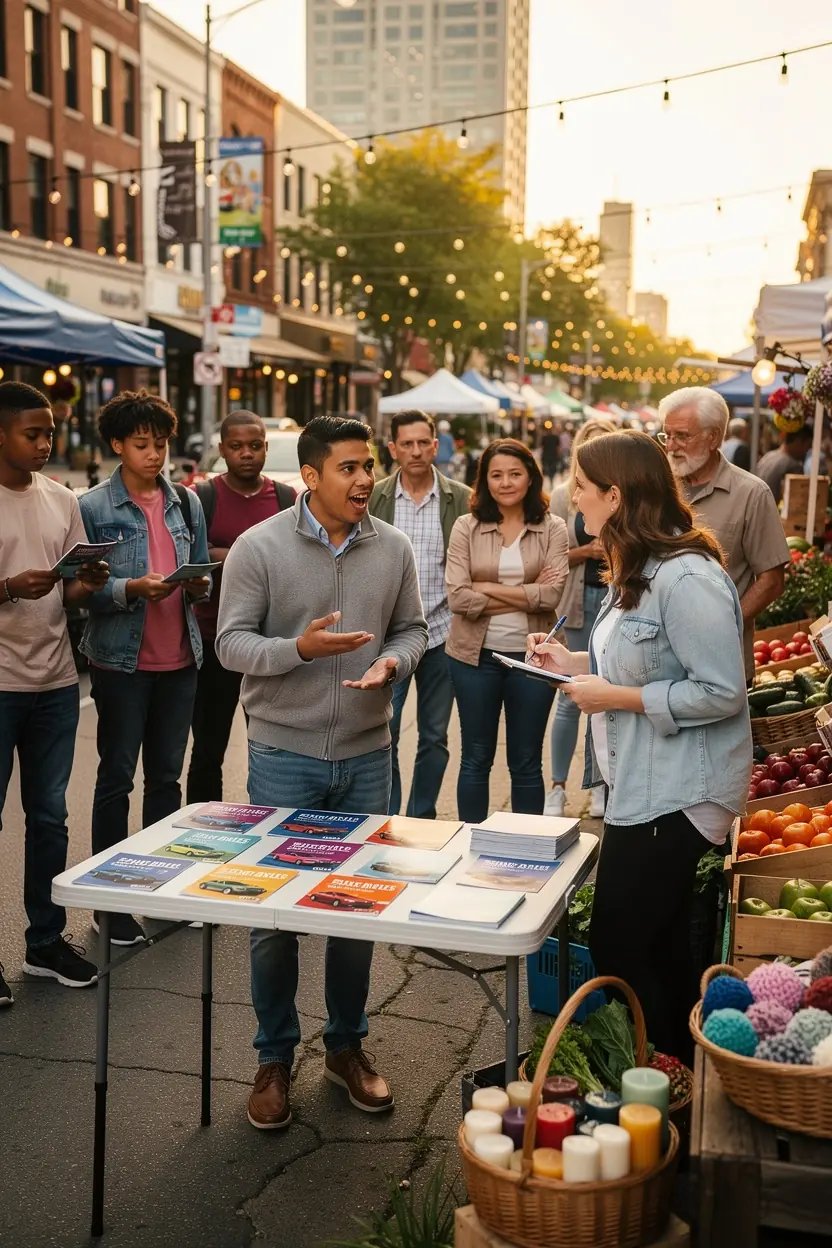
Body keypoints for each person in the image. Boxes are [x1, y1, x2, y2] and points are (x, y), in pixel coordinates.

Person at [216, 415, 427, 1131]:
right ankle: (274, 1057)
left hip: (369, 756)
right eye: (349, 468)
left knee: (355, 909)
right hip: (283, 756)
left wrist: (394, 663)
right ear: (310, 477)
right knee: (274, 917)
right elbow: (230, 645)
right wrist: (298, 650)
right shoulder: (259, 547)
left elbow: (413, 628)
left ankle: (345, 1048)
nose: (365, 478)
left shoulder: (392, 546)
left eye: (368, 466)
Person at [528, 430, 751, 1062]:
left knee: (620, 940)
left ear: (615, 495)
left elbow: (721, 691)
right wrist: (568, 662)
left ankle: (665, 1066)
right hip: (644, 782)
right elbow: (638, 662)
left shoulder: (686, 577)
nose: (574, 497)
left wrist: (615, 698)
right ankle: (683, 1068)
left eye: (581, 486)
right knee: (657, 941)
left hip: (681, 788)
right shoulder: (640, 568)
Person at [79, 391, 211, 948]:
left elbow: (200, 568)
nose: (155, 454)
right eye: (142, 445)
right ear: (117, 445)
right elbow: (81, 589)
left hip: (181, 659)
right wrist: (128, 588)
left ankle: (159, 888)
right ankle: (109, 903)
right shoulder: (92, 506)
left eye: (160, 444)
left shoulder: (186, 501)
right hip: (121, 662)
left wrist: (199, 583)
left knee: (166, 781)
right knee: (116, 779)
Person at [0, 382, 110, 1003]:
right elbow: (21, 587)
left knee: (49, 817)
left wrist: (84, 582)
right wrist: (10, 586)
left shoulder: (62, 497)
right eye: (32, 433)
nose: (46, 443)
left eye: (49, 433)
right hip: (0, 683)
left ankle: (44, 941)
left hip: (55, 680)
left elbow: (62, 594)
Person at [445, 438, 568, 823]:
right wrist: (526, 593)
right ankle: (469, 842)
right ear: (484, 480)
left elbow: (552, 595)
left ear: (531, 477)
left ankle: (526, 847)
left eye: (515, 473)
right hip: (473, 657)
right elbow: (457, 597)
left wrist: (486, 589)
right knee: (476, 756)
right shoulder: (467, 526)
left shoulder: (553, 528)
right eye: (496, 475)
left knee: (526, 760)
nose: (506, 482)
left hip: (535, 659)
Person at [186, 411, 296, 804]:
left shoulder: (286, 499)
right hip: (214, 637)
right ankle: (200, 826)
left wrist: (230, 555)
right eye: (236, 446)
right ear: (222, 450)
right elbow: (191, 556)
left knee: (270, 749)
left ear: (265, 447)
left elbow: (294, 558)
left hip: (269, 644)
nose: (246, 454)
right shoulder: (203, 497)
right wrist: (239, 555)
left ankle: (266, 827)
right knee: (208, 749)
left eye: (254, 446)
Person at [369, 409, 470, 818]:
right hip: (389, 639)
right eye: (405, 444)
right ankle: (388, 818)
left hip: (442, 635)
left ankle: (421, 815)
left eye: (422, 443)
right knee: (383, 734)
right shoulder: (374, 496)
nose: (415, 451)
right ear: (392, 448)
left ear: (435, 445)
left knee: (434, 736)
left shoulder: (460, 497)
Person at [659, 387, 789, 683]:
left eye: (682, 435)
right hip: (661, 664)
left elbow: (772, 581)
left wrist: (723, 623)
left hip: (722, 666)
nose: (672, 446)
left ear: (714, 436)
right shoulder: (659, 490)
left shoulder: (752, 494)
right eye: (667, 436)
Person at [545, 418, 617, 819]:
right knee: (570, 695)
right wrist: (584, 554)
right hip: (577, 600)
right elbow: (551, 558)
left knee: (605, 691)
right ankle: (557, 787)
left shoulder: (617, 495)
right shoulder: (562, 496)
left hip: (611, 599)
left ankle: (602, 785)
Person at [755, 425, 814, 504]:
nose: (807, 450)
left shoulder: (768, 456)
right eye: (808, 445)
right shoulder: (793, 466)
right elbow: (794, 504)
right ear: (798, 441)